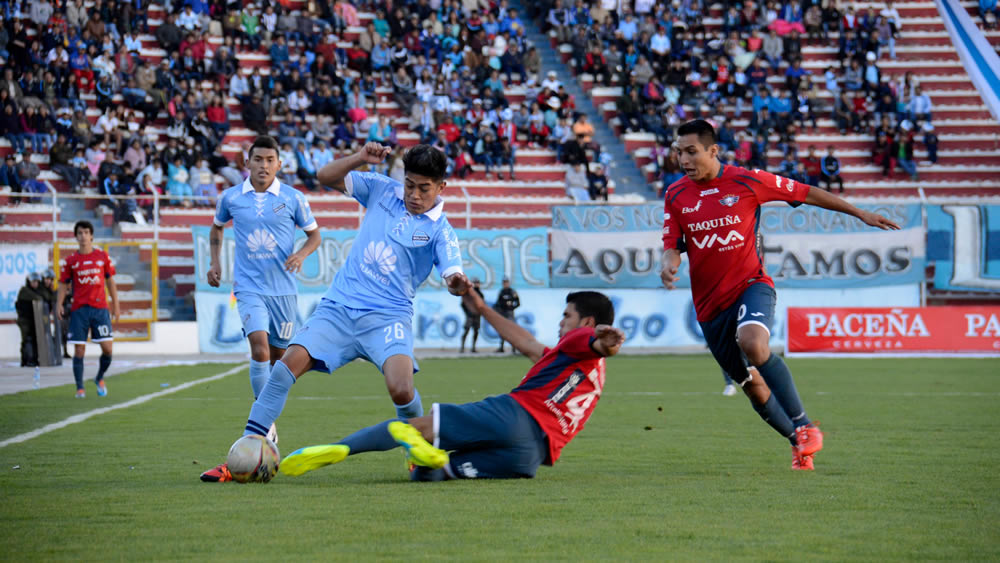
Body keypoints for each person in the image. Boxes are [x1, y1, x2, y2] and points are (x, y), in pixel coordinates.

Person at [202, 143, 469, 483]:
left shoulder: (441, 230)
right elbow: (325, 176)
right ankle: (244, 455)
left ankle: (417, 450)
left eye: (424, 188)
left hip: (388, 317)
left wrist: (457, 283)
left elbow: (452, 273)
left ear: (441, 187)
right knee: (283, 370)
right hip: (338, 309)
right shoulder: (382, 189)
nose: (414, 195)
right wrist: (359, 158)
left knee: (402, 389)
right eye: (409, 185)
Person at [660, 120, 901, 470]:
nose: (683, 159)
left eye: (691, 151)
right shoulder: (675, 194)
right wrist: (668, 264)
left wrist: (859, 213)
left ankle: (805, 425)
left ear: (713, 150)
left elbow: (807, 192)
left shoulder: (747, 180)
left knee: (753, 343)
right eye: (679, 152)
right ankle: (798, 444)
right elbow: (672, 244)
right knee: (751, 386)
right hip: (710, 307)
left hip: (751, 285)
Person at [278, 290, 625, 481]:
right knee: (427, 476)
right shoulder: (587, 370)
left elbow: (596, 343)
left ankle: (341, 449)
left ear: (587, 321)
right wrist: (482, 308)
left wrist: (604, 341)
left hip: (514, 416)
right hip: (528, 457)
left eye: (566, 315)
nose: (561, 322)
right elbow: (528, 343)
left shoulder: (581, 339)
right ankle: (426, 459)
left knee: (412, 427)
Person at [199, 136, 322, 482]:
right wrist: (214, 262)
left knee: (279, 363)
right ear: (247, 162)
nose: (264, 165)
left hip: (284, 293)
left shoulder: (293, 198)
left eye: (270, 160)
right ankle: (265, 426)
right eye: (258, 159)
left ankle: (264, 419)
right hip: (249, 288)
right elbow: (216, 228)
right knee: (259, 348)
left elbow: (315, 236)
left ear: (279, 164)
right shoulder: (231, 198)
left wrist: (301, 254)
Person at [57, 220, 121, 398]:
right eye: (80, 233)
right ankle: (80, 388)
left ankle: (99, 377)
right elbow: (63, 284)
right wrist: (59, 304)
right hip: (79, 310)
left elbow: (110, 282)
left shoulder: (102, 256)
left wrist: (116, 305)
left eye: (86, 232)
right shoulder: (71, 261)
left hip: (100, 309)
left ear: (91, 236)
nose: (83, 236)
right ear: (76, 237)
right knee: (79, 350)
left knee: (108, 349)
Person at [16, 272, 45, 367]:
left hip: (34, 320)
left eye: (37, 282)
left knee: (35, 339)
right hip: (25, 320)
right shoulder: (24, 291)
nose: (35, 283)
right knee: (27, 340)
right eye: (33, 281)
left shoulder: (38, 291)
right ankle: (27, 360)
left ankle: (34, 359)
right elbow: (38, 298)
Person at [494, 276, 520, 353]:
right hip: (503, 314)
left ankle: (514, 348)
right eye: (504, 282)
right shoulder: (501, 292)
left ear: (509, 283)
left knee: (511, 331)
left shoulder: (512, 292)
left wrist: (511, 308)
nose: (505, 284)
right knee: (502, 331)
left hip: (510, 314)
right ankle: (501, 347)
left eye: (506, 282)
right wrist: (499, 310)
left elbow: (518, 303)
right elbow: (498, 303)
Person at [460, 278, 485, 353]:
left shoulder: (480, 294)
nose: (477, 284)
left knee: (476, 331)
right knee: (466, 330)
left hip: (477, 316)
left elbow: (482, 305)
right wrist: (467, 313)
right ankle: (462, 347)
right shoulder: (469, 293)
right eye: (475, 283)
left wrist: (480, 312)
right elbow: (463, 304)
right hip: (470, 315)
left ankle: (473, 347)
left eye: (478, 283)